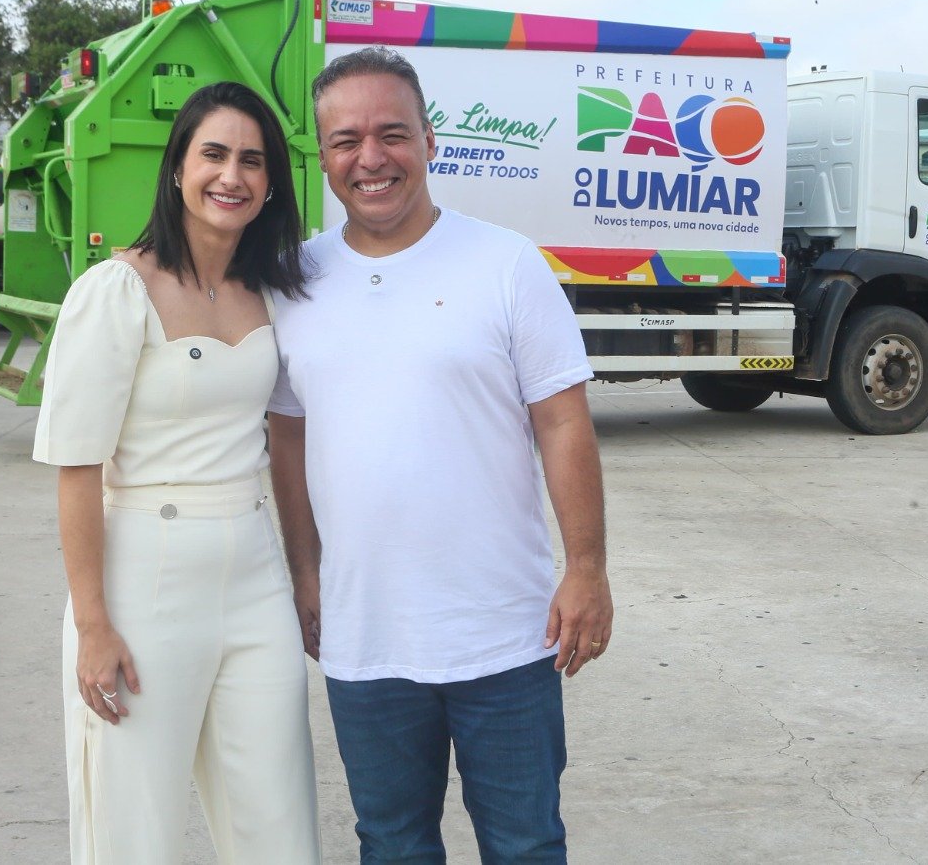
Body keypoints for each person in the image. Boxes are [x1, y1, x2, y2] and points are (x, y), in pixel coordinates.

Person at [267, 46, 614, 863]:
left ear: (431, 140)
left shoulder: (505, 265)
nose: (371, 157)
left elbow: (564, 425)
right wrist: (306, 573)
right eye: (347, 140)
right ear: (325, 158)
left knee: (526, 845)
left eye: (392, 133)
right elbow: (287, 438)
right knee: (391, 843)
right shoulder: (296, 281)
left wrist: (587, 567)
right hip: (366, 634)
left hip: (505, 632)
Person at [33, 82, 321, 864]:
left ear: (271, 185)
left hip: (254, 573)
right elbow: (76, 471)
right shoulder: (116, 292)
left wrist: (304, 574)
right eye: (214, 154)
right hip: (144, 578)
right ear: (177, 169)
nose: (233, 176)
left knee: (280, 825)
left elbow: (290, 438)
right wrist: (93, 625)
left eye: (253, 161)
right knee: (134, 829)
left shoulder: (271, 290)